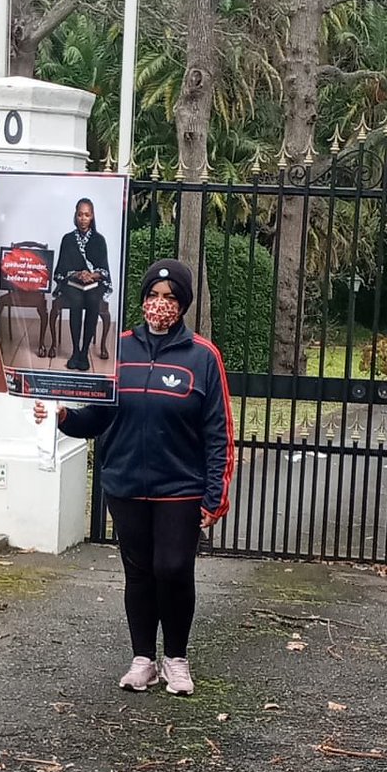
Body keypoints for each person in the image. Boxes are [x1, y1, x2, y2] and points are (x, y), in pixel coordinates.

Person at [34, 258, 234, 697]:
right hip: (125, 483)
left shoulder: (202, 357)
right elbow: (95, 417)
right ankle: (143, 658)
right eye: (152, 297)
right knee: (139, 571)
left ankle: (176, 661)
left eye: (169, 299)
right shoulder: (118, 349)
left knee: (174, 568)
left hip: (180, 488)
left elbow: (218, 432)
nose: (159, 305)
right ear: (142, 301)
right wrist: (63, 414)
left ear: (182, 305)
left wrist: (214, 495)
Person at [52, 198, 112, 371]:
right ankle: (75, 351)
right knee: (76, 301)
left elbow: (104, 269)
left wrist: (91, 275)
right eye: (80, 214)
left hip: (94, 283)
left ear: (92, 216)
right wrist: (78, 274)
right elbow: (62, 268)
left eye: (87, 215)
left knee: (93, 300)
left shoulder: (99, 240)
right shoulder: (68, 239)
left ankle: (85, 352)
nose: (83, 218)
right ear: (75, 215)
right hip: (72, 283)